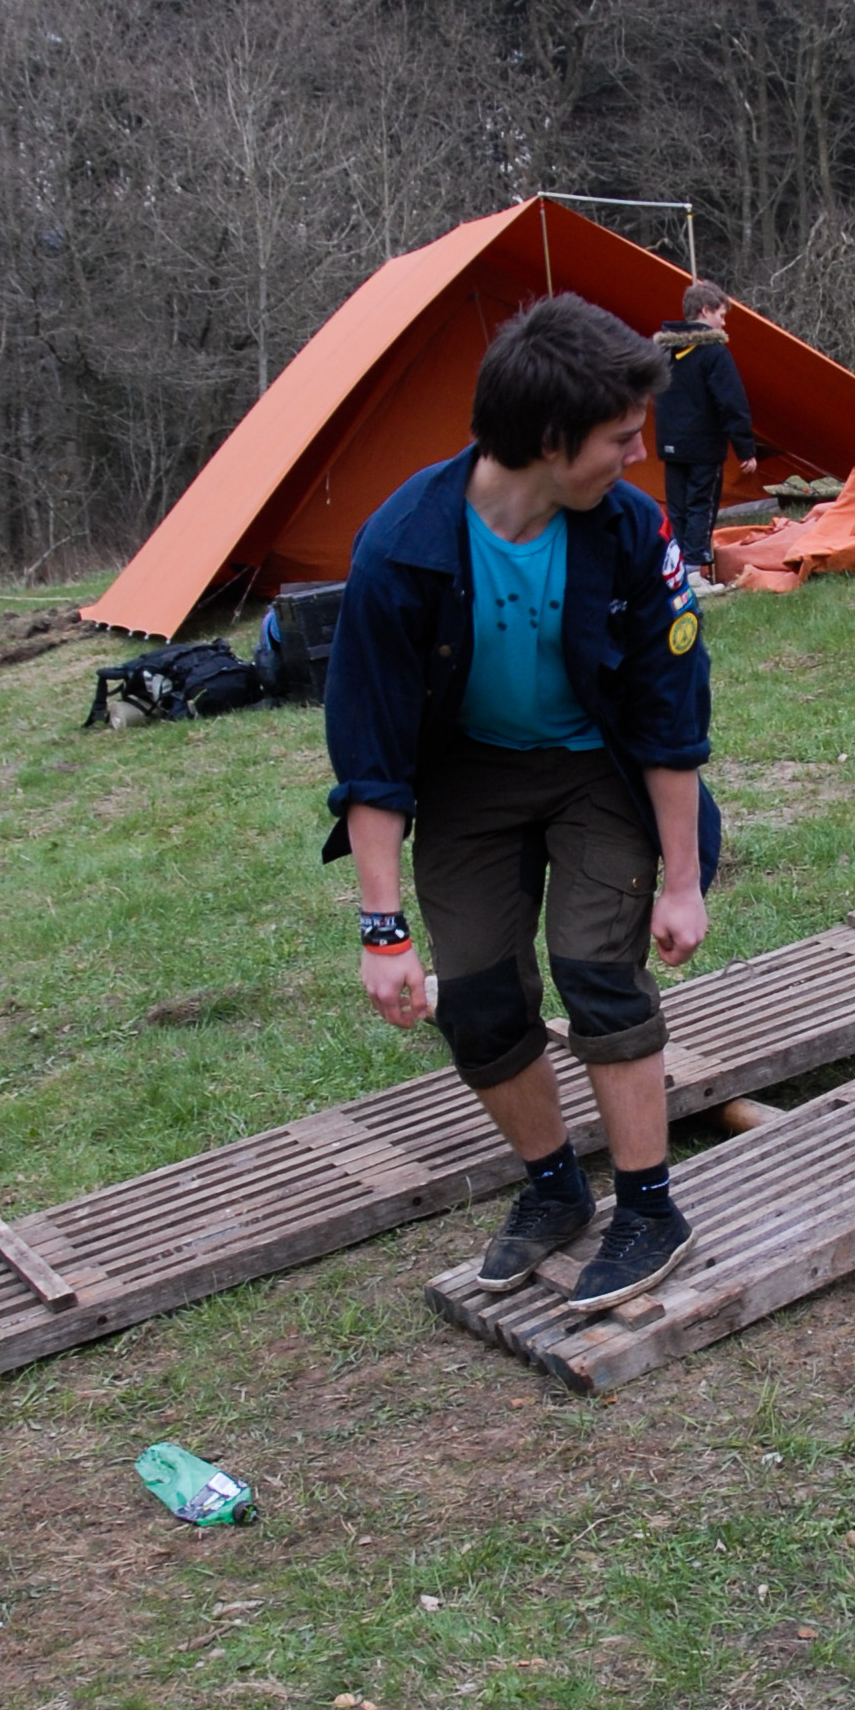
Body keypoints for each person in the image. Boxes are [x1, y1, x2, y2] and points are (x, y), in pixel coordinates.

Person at [322, 294, 716, 1316]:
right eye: (620, 437)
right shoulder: (402, 548)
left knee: (596, 970)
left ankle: (650, 1207)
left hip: (598, 771)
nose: (638, 454)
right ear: (550, 440)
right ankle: (553, 1187)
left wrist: (682, 882)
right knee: (481, 1001)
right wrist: (382, 930)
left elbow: (670, 717)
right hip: (471, 778)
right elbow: (371, 753)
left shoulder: (630, 529)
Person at [652, 275, 757, 593]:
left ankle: (676, 571)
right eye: (721, 315)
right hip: (703, 446)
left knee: (677, 508)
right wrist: (745, 447)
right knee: (700, 505)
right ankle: (694, 574)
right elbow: (732, 402)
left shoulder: (664, 352)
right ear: (705, 310)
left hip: (671, 445)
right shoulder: (714, 353)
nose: (723, 323)